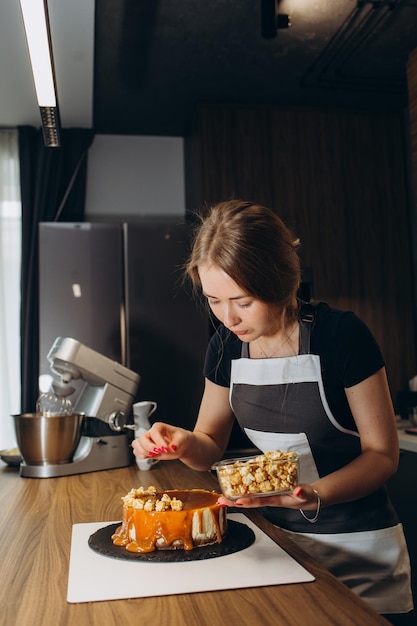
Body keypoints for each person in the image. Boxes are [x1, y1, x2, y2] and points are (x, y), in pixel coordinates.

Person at [132, 199, 414, 624]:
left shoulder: (341, 337)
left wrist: (313, 495)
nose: (228, 318)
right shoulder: (225, 348)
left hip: (361, 550)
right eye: (214, 300)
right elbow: (209, 446)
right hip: (278, 545)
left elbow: (382, 455)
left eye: (242, 301)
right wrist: (181, 442)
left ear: (279, 282)